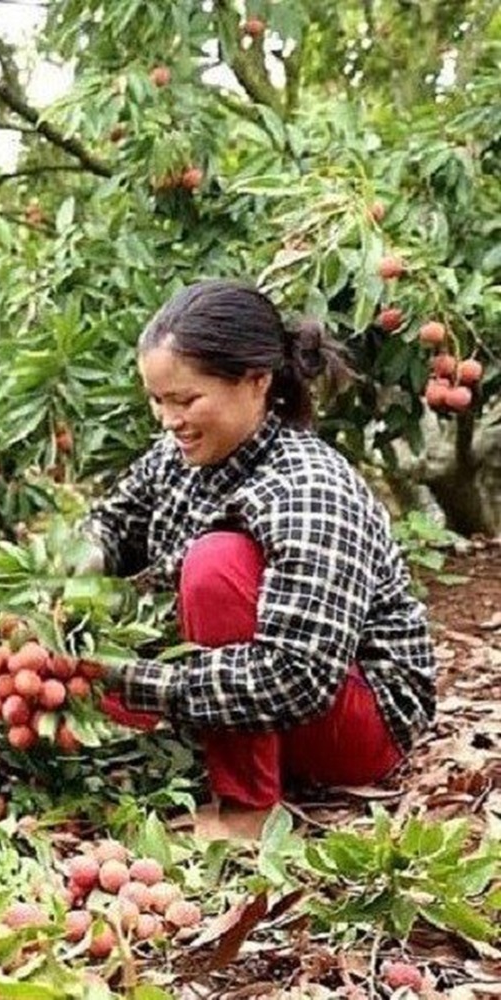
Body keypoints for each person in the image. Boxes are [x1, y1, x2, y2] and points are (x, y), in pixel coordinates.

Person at [82, 280, 436, 841]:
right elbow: (115, 524)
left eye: (185, 399)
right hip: (262, 701)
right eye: (157, 400)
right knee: (70, 686)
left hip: (356, 719)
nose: (168, 420)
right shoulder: (176, 456)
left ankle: (247, 811)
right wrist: (71, 570)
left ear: (256, 381)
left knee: (215, 563)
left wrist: (133, 683)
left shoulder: (308, 487)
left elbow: (299, 678)